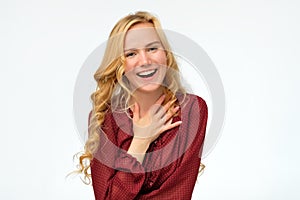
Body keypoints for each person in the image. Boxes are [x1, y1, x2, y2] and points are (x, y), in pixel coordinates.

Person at [76, 11, 208, 199]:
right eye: (131, 53)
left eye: (152, 48)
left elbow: (178, 194)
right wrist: (141, 140)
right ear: (119, 65)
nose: (145, 61)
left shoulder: (192, 110)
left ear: (166, 55)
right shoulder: (105, 119)